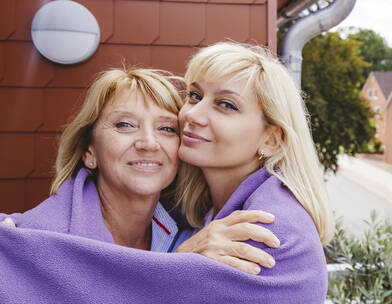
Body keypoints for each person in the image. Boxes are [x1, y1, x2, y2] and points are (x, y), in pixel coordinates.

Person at [0, 68, 278, 272]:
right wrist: (179, 265)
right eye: (124, 125)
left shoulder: (194, 233)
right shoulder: (38, 240)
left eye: (166, 128)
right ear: (89, 152)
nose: (148, 143)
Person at [173, 42, 335, 301]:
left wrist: (181, 261)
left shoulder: (265, 229)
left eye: (226, 105)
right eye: (195, 95)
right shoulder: (216, 207)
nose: (194, 114)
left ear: (271, 140)